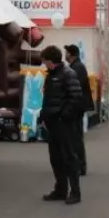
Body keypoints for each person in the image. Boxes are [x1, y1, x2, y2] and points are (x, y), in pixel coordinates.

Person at [39, 45, 84, 205]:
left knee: (69, 157)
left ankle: (75, 192)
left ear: (51, 61)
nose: (44, 64)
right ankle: (60, 189)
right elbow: (48, 98)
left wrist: (64, 115)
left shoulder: (68, 74)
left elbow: (76, 97)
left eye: (45, 61)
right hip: (52, 122)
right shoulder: (51, 76)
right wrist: (43, 115)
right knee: (56, 158)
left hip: (63, 123)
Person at [65, 44, 93, 176]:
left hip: (77, 106)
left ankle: (80, 165)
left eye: (67, 52)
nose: (65, 55)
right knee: (75, 136)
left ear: (72, 54)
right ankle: (78, 164)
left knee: (76, 136)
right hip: (78, 105)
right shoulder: (77, 66)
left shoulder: (77, 68)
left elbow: (76, 88)